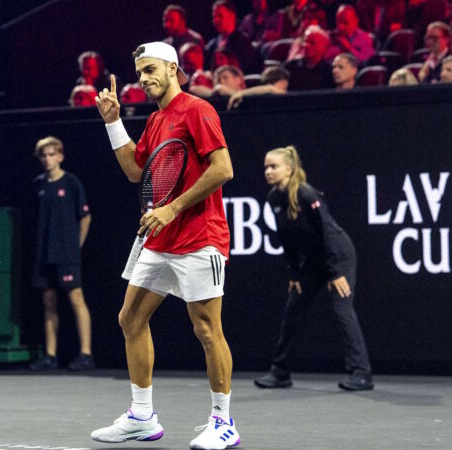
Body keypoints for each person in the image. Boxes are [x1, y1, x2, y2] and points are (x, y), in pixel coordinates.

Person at [92, 41, 239, 449]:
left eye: (151, 70)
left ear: (174, 68)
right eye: (139, 73)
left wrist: (172, 208)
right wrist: (113, 123)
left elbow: (223, 168)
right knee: (130, 319)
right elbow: (135, 172)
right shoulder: (157, 122)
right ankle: (141, 416)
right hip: (159, 240)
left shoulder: (198, 110)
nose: (144, 79)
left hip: (199, 237)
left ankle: (224, 423)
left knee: (207, 330)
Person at [255, 146, 373, 391]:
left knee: (342, 309)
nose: (268, 171)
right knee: (292, 310)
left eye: (273, 166)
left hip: (337, 257)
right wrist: (295, 274)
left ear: (289, 169)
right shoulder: (273, 198)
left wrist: (335, 272)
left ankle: (362, 374)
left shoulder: (308, 195)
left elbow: (327, 232)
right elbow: (285, 238)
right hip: (312, 263)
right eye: (266, 167)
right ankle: (280, 372)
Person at [29, 136, 95, 372]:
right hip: (43, 253)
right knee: (48, 301)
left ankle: (86, 354)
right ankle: (50, 355)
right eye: (43, 156)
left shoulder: (71, 183)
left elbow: (85, 216)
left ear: (60, 156)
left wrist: (76, 246)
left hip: (67, 253)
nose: (47, 159)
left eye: (51, 154)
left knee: (76, 299)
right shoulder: (38, 185)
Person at [206, 0, 262, 74]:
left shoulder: (243, 43)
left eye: (219, 16)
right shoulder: (212, 44)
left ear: (232, 15)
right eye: (214, 17)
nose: (216, 20)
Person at [283, 25, 334, 90]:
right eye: (305, 41)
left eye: (312, 43)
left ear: (323, 47)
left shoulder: (328, 72)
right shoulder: (289, 67)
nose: (306, 45)